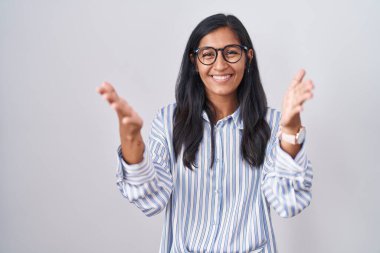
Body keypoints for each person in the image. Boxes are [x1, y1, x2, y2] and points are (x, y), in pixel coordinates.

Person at [97, 13, 314, 253]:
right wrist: (132, 144)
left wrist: (291, 129)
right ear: (194, 62)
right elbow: (151, 199)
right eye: (208, 54)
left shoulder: (272, 124)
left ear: (248, 58)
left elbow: (287, 202)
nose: (220, 65)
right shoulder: (169, 121)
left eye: (231, 52)